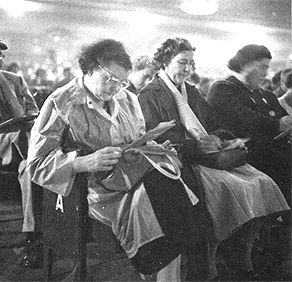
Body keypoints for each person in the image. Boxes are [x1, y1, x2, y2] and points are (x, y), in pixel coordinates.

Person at [26, 39, 212, 282]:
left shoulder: (127, 99)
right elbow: (36, 164)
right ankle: (163, 271)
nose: (116, 88)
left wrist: (145, 149)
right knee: (165, 197)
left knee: (175, 185)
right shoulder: (61, 102)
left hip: (130, 176)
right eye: (110, 79)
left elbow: (135, 140)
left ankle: (166, 273)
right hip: (93, 189)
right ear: (89, 69)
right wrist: (84, 162)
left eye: (122, 81)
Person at [138, 38, 289, 280]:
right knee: (230, 190)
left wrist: (220, 138)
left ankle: (241, 249)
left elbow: (213, 124)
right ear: (165, 63)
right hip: (181, 161)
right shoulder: (149, 95)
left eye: (191, 63)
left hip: (206, 156)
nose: (187, 69)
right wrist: (198, 145)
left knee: (262, 182)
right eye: (181, 63)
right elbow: (157, 137)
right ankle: (214, 255)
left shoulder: (193, 92)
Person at [207, 44, 292, 209]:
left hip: (274, 157)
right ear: (245, 65)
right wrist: (278, 125)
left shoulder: (267, 95)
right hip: (247, 158)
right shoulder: (223, 89)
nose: (266, 74)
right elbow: (246, 119)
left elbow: (283, 121)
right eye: (262, 67)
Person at [0, 32, 42, 267]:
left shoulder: (14, 80)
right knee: (26, 136)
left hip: (22, 148)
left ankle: (32, 237)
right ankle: (43, 158)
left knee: (29, 170)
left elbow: (35, 115)